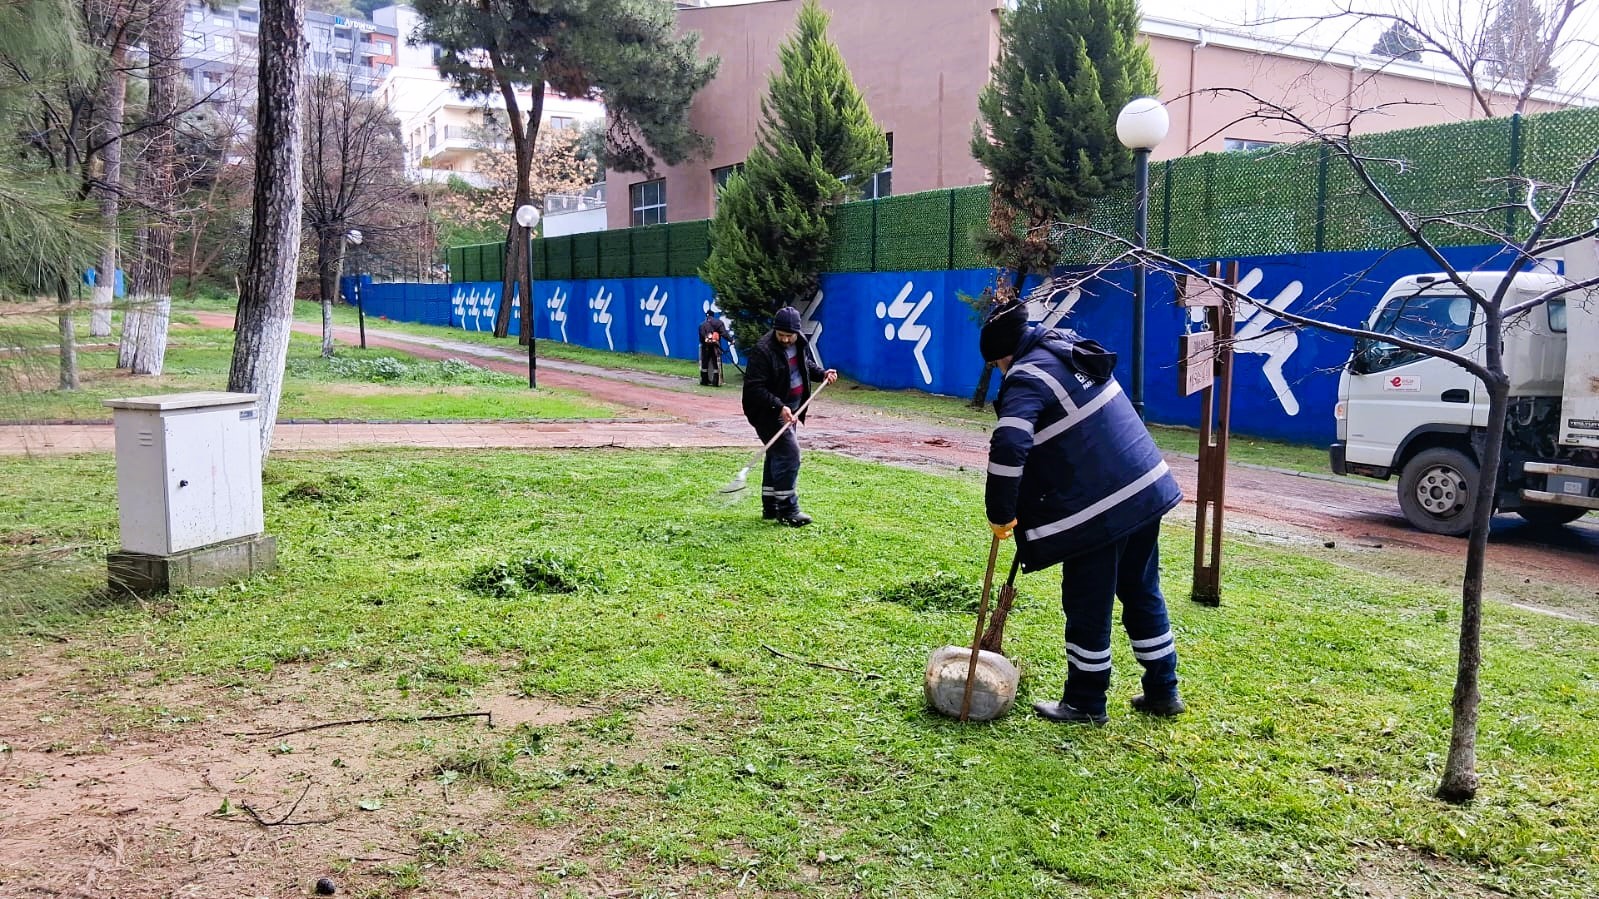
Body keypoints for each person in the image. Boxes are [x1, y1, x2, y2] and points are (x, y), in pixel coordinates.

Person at [979, 301, 1186, 725]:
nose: (1001, 371)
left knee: (1086, 600)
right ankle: (1164, 690)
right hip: (1145, 490)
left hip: (1101, 506)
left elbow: (1010, 445)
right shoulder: (1067, 349)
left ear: (1003, 355)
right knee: (1141, 589)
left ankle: (1086, 701)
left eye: (997, 364)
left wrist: (1000, 513)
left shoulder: (1027, 375)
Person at [741, 306, 837, 526]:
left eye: (789, 335)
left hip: (791, 410)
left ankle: (771, 506)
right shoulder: (762, 350)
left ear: (797, 332)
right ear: (775, 330)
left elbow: (804, 365)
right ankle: (788, 510)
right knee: (789, 454)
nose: (785, 339)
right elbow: (755, 388)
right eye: (781, 334)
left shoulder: (799, 342)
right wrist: (780, 406)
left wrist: (822, 373)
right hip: (767, 412)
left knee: (777, 454)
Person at [698, 310, 733, 386]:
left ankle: (704, 381)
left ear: (706, 316)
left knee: (704, 364)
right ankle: (716, 382)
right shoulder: (718, 323)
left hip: (705, 347)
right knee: (716, 364)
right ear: (713, 315)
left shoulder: (702, 325)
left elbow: (701, 339)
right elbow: (724, 333)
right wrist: (731, 340)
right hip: (715, 347)